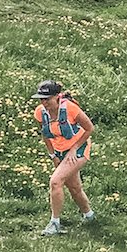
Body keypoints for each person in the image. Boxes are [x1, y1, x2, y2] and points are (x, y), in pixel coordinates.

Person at [33, 80, 95, 236]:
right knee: (74, 188)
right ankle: (90, 216)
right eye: (41, 99)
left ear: (57, 96)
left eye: (47, 99)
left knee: (55, 181)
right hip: (60, 151)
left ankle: (55, 223)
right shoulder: (40, 112)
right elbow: (45, 134)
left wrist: (74, 149)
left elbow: (89, 128)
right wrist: (52, 154)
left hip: (79, 148)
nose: (44, 102)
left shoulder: (70, 109)